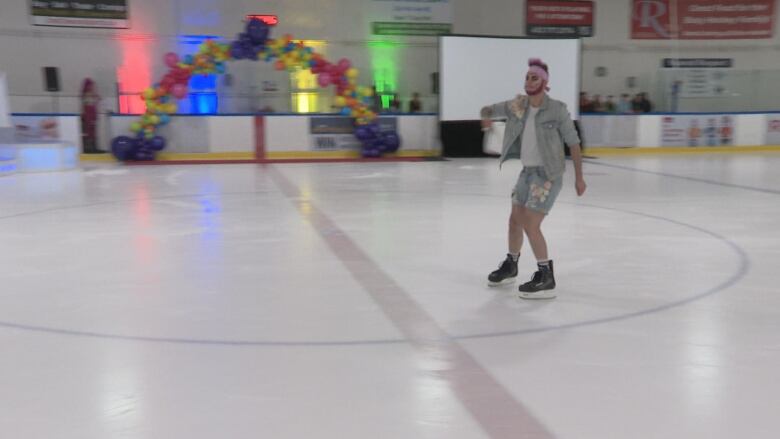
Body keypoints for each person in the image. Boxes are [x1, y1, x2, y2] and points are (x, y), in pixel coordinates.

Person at [480, 58, 587, 299]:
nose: (529, 81)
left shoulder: (557, 109)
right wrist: (485, 116)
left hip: (548, 174)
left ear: (545, 82)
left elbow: (574, 143)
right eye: (527, 77)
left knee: (530, 222)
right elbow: (488, 109)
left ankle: (546, 276)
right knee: (514, 220)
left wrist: (579, 177)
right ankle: (511, 264)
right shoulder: (519, 105)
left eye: (534, 77)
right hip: (527, 173)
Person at [80, 78, 103, 153]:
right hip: (88, 116)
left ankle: (92, 148)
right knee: (89, 133)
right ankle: (90, 148)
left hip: (90, 116)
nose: (92, 87)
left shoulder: (90, 95)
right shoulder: (87, 95)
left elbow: (93, 105)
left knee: (92, 133)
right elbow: (88, 107)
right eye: (91, 86)